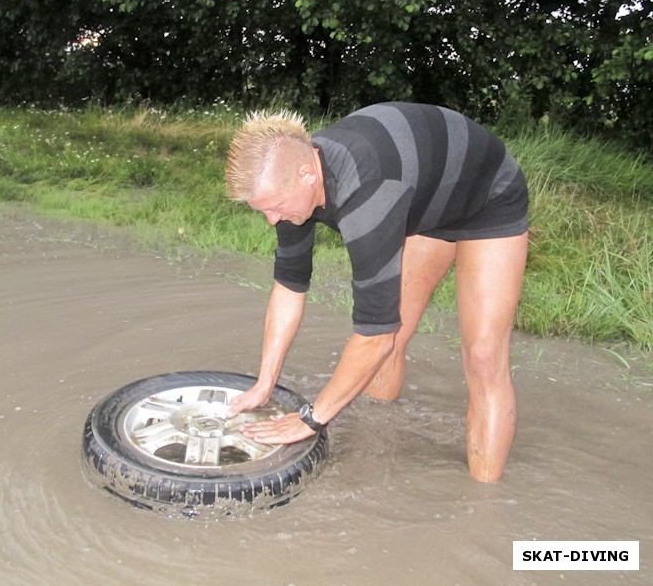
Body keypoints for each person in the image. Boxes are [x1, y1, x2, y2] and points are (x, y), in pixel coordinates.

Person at [224, 102, 529, 482]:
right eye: (263, 210)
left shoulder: (367, 196)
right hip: (421, 198)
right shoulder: (292, 193)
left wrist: (312, 419)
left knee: (483, 355)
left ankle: (485, 506)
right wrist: (264, 384)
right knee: (393, 337)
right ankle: (379, 448)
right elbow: (289, 285)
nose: (272, 219)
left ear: (307, 174)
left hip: (486, 196)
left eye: (275, 208)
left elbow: (374, 335)